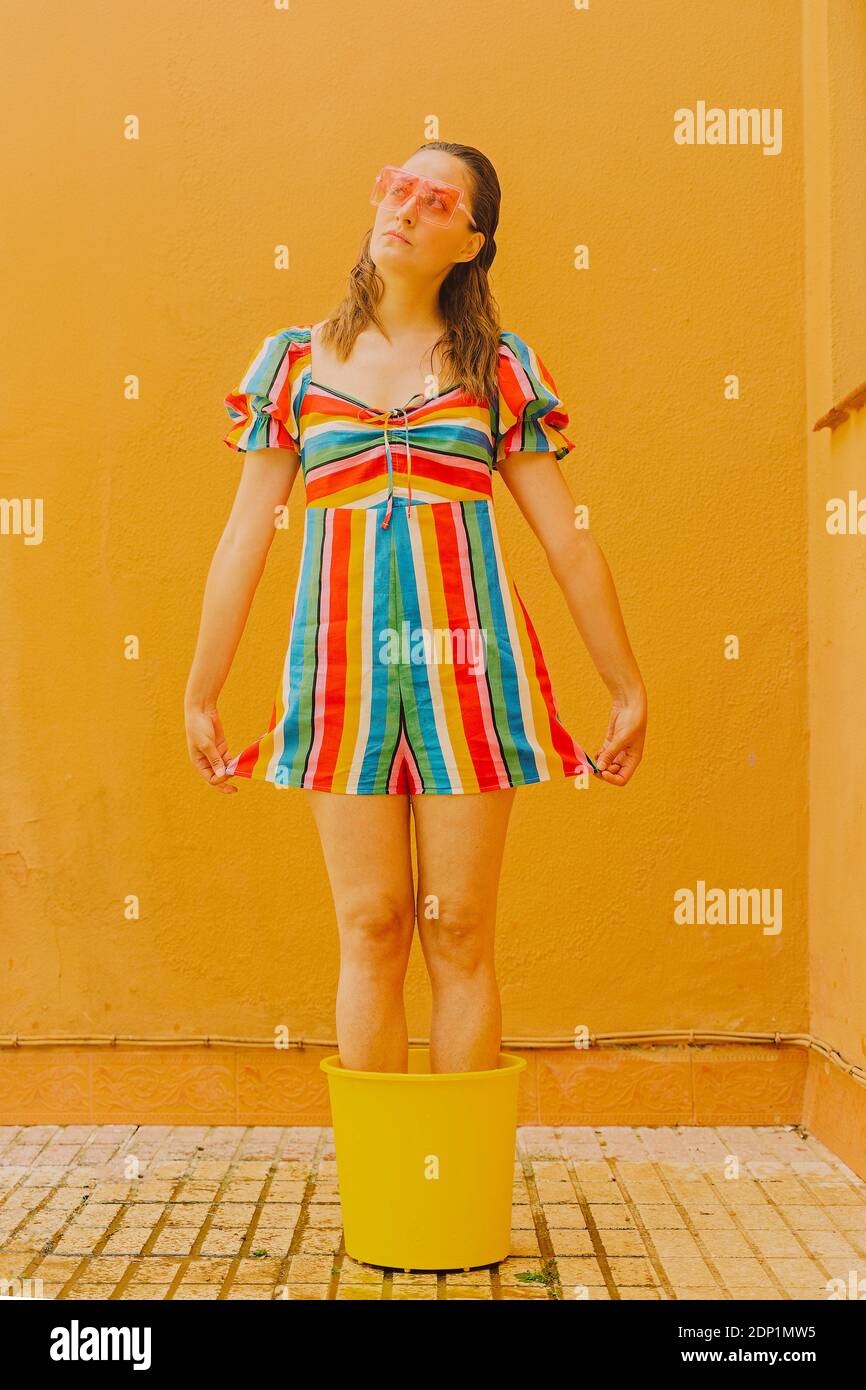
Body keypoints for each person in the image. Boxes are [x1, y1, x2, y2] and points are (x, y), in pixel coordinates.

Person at [184, 141, 647, 1074]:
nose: (403, 206)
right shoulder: (292, 364)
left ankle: (455, 1204)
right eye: (394, 186)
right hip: (339, 676)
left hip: (473, 673)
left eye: (435, 200)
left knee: (462, 931)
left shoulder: (498, 368)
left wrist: (625, 688)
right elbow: (245, 537)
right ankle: (393, 1205)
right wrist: (202, 691)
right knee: (372, 924)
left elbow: (568, 540)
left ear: (471, 242)